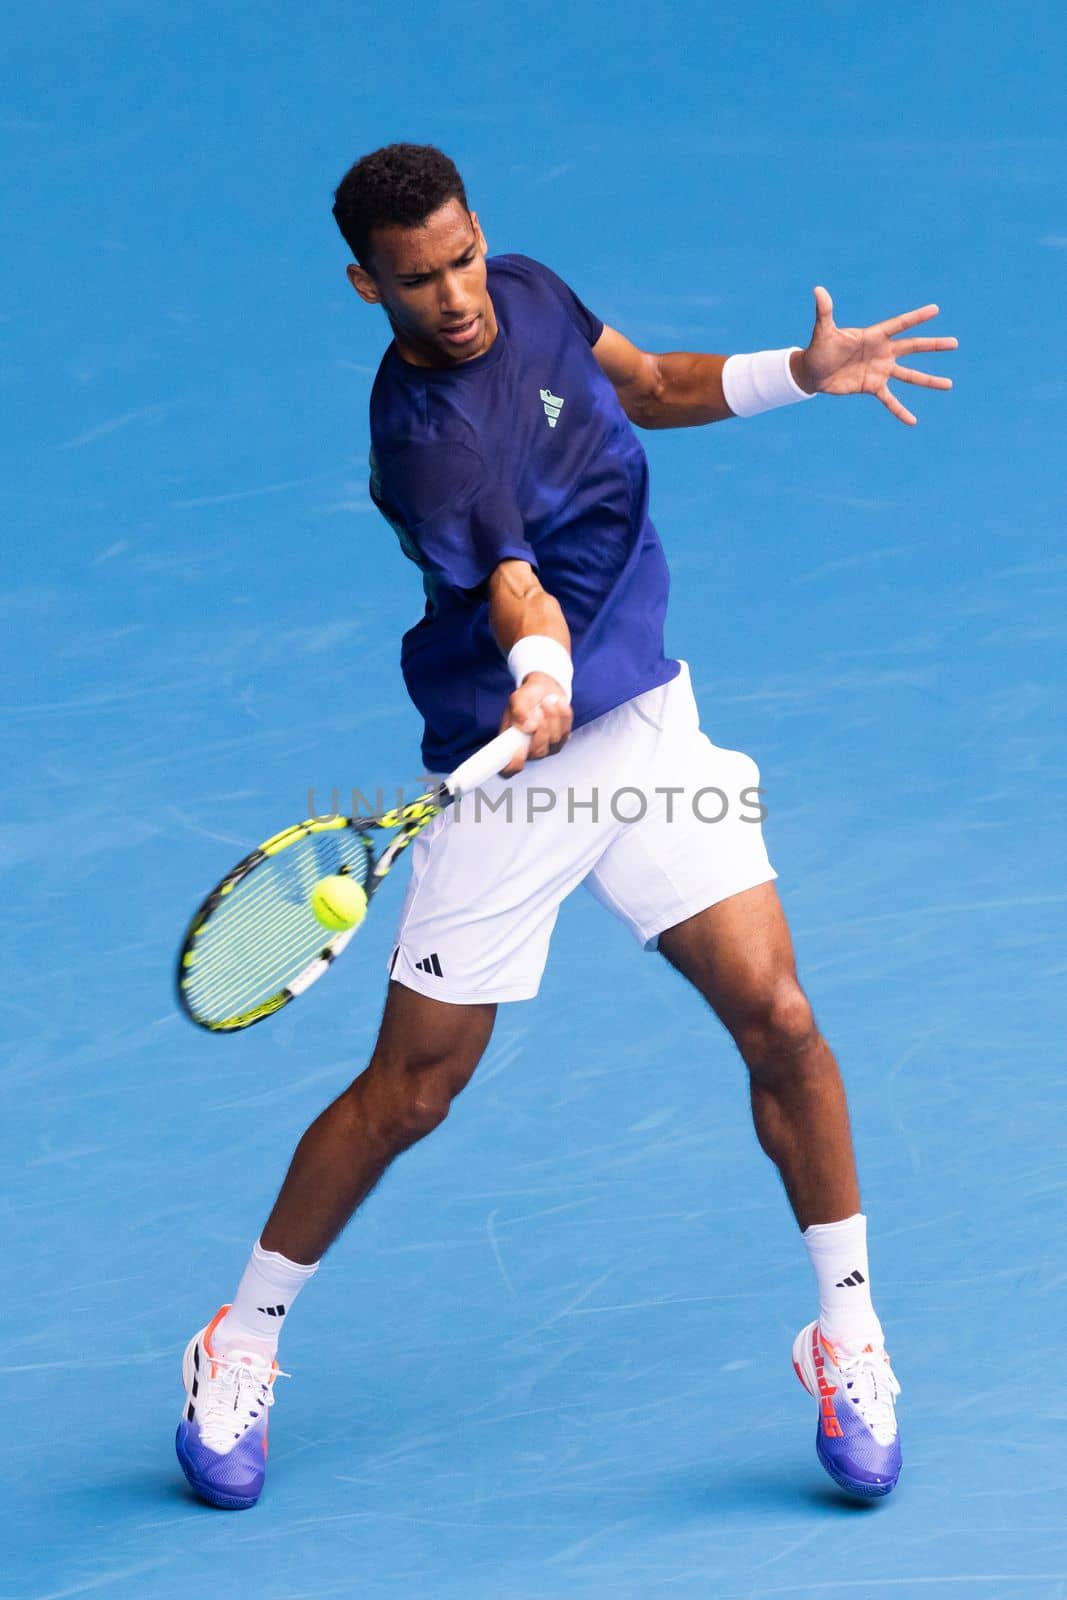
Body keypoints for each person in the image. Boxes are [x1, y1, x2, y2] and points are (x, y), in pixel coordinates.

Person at [176, 143, 956, 1511]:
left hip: (649, 729)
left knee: (778, 1019)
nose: (460, 297)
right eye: (420, 282)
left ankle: (848, 1332)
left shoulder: (530, 293)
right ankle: (238, 1336)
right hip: (509, 771)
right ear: (367, 286)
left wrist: (796, 373)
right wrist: (540, 679)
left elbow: (646, 386)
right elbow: (518, 589)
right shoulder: (425, 442)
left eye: (466, 256)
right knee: (412, 1091)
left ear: (484, 236)